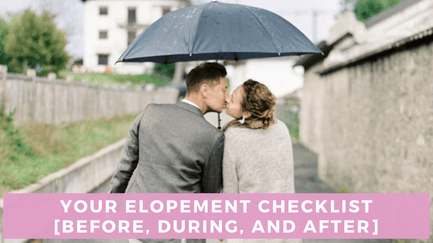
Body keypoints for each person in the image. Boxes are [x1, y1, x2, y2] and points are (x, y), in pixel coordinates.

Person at [109, 62, 229, 243]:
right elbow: (210, 192)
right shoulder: (213, 136)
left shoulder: (149, 112)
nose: (227, 97)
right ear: (205, 90)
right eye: (224, 90)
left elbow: (125, 168)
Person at [221, 79, 301, 243]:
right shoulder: (282, 129)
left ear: (248, 113)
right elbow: (287, 184)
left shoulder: (232, 137)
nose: (227, 98)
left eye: (234, 99)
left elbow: (230, 192)